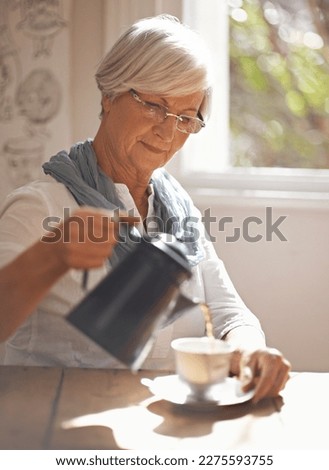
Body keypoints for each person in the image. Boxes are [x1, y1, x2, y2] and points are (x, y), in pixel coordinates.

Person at [0, 14, 290, 403]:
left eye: (186, 118)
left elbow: (230, 315)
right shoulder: (39, 206)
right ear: (110, 94)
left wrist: (252, 351)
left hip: (155, 421)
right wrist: (50, 256)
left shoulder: (177, 210)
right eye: (154, 106)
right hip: (45, 426)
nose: (168, 132)